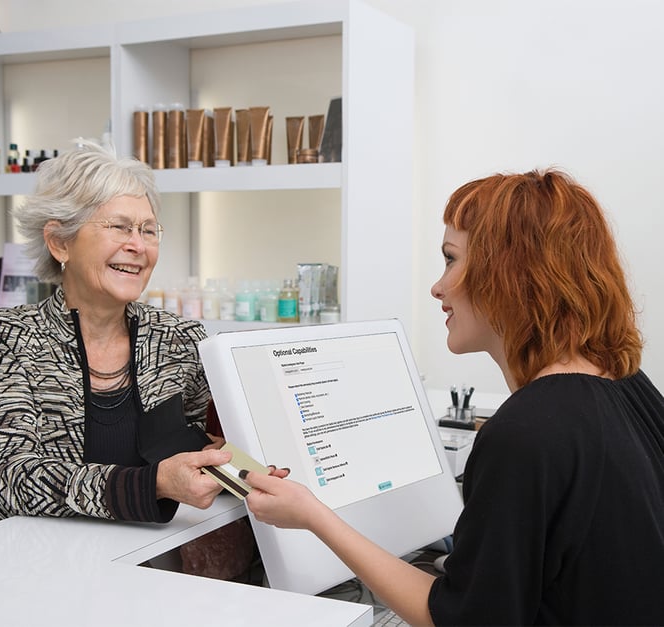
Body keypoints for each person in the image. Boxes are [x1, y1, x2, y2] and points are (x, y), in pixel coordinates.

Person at [240, 169, 664, 626]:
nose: (438, 287)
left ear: (511, 271)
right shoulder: (627, 383)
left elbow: (456, 619)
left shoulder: (526, 433)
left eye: (451, 259)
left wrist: (312, 516)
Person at [0, 141, 234, 531]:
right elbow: (11, 478)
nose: (137, 246)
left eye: (147, 230)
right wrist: (153, 485)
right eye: (119, 227)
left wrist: (223, 461)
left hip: (136, 554)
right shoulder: (0, 338)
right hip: (19, 561)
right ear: (59, 242)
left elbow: (191, 447)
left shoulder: (179, 338)